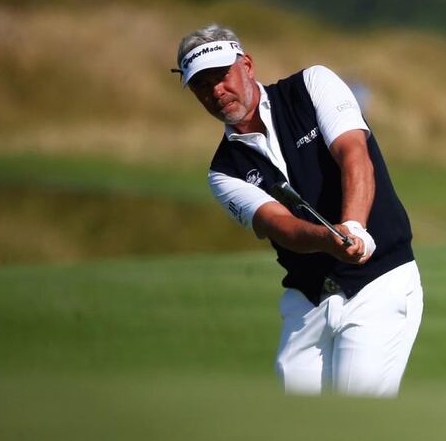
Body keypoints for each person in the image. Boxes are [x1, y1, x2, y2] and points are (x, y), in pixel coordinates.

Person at [174, 24, 423, 397]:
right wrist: (329, 239)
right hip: (308, 303)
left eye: (222, 76)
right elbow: (282, 226)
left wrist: (354, 227)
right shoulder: (223, 171)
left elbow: (354, 153)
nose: (216, 92)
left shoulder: (311, 86)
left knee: (355, 422)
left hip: (378, 282)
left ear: (247, 65)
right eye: (201, 85)